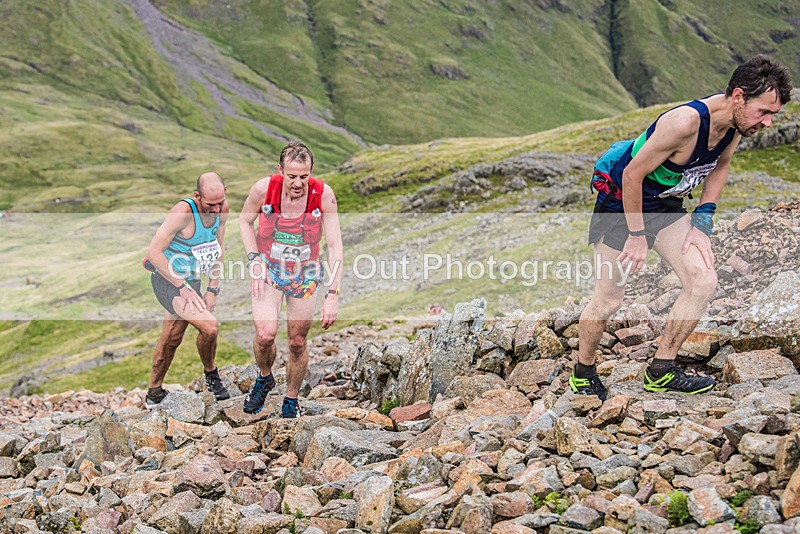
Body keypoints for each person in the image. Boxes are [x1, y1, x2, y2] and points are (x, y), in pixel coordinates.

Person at [572, 55, 792, 402]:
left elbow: (721, 166)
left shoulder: (735, 127)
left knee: (703, 281)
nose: (766, 123)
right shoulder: (684, 123)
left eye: (772, 116)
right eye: (763, 112)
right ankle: (583, 373)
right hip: (621, 206)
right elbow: (632, 175)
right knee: (609, 299)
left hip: (666, 206)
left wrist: (703, 220)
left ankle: (662, 369)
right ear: (738, 96)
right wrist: (638, 236)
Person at [239, 141, 343, 417]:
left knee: (297, 341)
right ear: (280, 170)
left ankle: (291, 400)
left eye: (304, 177)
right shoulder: (263, 189)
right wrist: (254, 260)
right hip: (270, 268)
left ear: (311, 172)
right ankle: (264, 377)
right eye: (292, 176)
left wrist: (333, 293)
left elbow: (335, 245)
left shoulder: (324, 195)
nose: (298, 183)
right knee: (265, 335)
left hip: (305, 272)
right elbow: (244, 221)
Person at [144, 172, 231, 405]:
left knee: (172, 337)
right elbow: (154, 252)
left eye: (220, 203)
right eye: (210, 204)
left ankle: (154, 393)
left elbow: (218, 248)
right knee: (210, 327)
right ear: (196, 196)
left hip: (192, 281)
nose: (216, 209)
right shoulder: (183, 213)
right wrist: (182, 287)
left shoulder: (223, 210)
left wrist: (213, 289)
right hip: (167, 279)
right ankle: (211, 375)